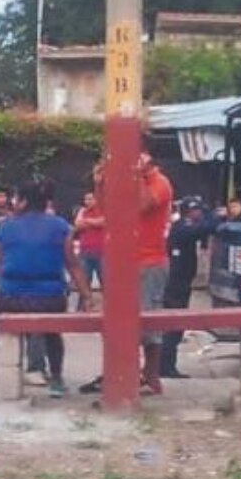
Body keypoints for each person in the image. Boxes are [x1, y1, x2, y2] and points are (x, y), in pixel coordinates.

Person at [0, 180, 93, 398]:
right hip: (49, 298)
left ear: (24, 202)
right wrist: (87, 296)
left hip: (11, 298)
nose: (13, 202)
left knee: (0, 320)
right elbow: (73, 265)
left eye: (17, 198)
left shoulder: (5, 226)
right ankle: (56, 378)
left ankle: (8, 371)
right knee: (53, 334)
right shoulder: (60, 226)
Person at [84, 151, 174, 396]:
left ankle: (151, 375)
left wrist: (138, 176)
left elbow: (143, 205)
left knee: (149, 320)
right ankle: (121, 372)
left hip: (150, 262)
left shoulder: (159, 183)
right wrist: (100, 182)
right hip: (123, 262)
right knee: (115, 319)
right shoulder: (131, 182)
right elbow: (106, 209)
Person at [160, 196, 220, 379]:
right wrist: (215, 216)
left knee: (176, 326)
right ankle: (165, 366)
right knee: (173, 326)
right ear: (189, 211)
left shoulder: (186, 225)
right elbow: (206, 227)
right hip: (175, 284)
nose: (199, 213)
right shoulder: (182, 227)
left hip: (182, 283)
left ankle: (167, 366)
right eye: (197, 210)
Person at [73, 191, 105, 295]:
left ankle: (109, 306)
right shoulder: (82, 211)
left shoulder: (102, 209)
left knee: (105, 282)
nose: (88, 201)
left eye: (90, 199)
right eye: (86, 199)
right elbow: (77, 225)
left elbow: (103, 222)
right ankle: (83, 307)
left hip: (101, 252)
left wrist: (86, 221)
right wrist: (91, 221)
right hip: (85, 252)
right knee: (84, 283)